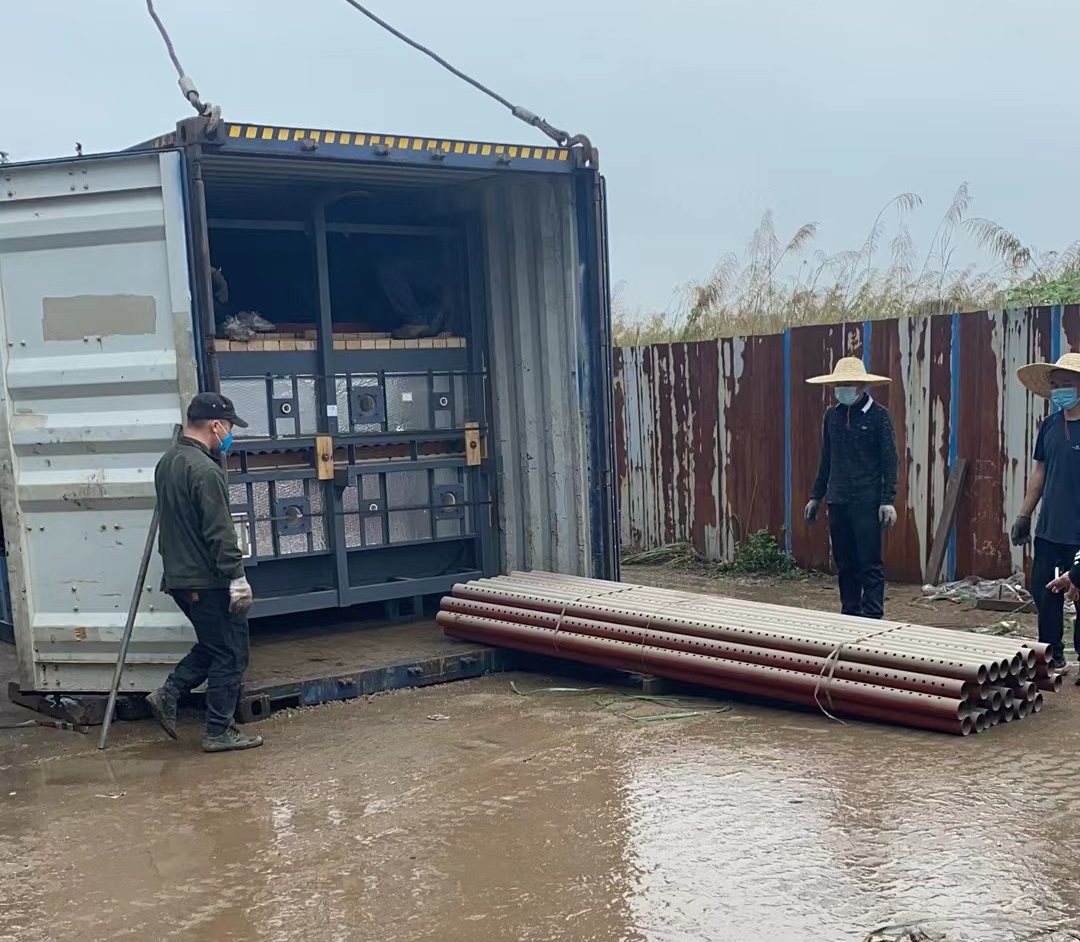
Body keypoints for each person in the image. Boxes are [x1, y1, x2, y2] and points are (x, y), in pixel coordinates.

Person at [145, 393, 262, 752]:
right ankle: (217, 731)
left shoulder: (168, 461)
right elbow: (219, 532)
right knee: (232, 653)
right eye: (228, 427)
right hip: (207, 580)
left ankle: (169, 693)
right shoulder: (205, 470)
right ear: (215, 426)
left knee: (215, 646)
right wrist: (237, 577)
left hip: (180, 578)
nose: (230, 434)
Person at [804, 357, 899, 619]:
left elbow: (890, 461)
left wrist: (887, 500)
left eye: (848, 384)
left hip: (867, 501)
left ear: (860, 386)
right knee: (845, 563)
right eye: (839, 384)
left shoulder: (879, 417)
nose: (843, 388)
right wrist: (816, 496)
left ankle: (872, 616)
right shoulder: (831, 416)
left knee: (869, 563)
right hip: (838, 500)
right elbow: (827, 459)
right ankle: (849, 612)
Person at [1011, 352, 1080, 674]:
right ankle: (1053, 655)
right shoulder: (1050, 425)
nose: (1059, 391)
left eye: (1066, 384)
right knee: (1046, 592)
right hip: (1051, 529)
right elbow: (1040, 472)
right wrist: (1025, 514)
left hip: (1078, 534)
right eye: (1055, 385)